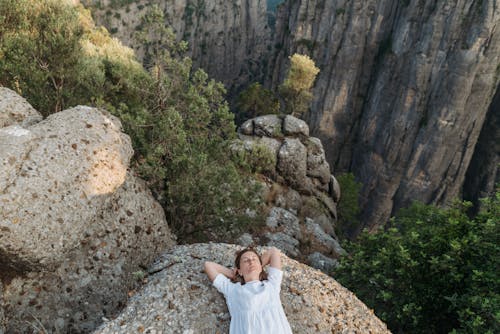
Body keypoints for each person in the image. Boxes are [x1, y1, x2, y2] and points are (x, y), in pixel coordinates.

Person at [204, 246, 293, 334]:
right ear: (239, 270)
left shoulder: (272, 285)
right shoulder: (232, 290)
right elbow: (208, 265)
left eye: (254, 259)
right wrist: (232, 274)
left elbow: (274, 251)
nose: (251, 261)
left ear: (261, 266)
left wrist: (256, 267)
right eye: (246, 260)